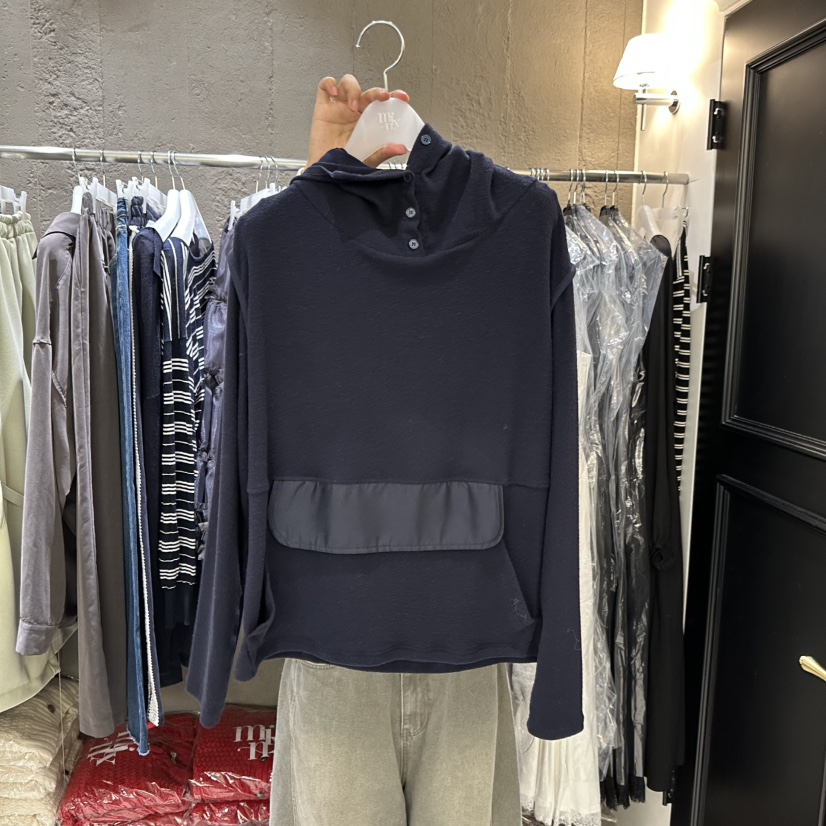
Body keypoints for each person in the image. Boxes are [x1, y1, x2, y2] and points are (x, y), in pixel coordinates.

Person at [267, 75, 522, 826]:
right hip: (337, 630)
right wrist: (320, 178)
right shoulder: (283, 249)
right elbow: (296, 347)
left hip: (466, 630)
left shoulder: (502, 243)